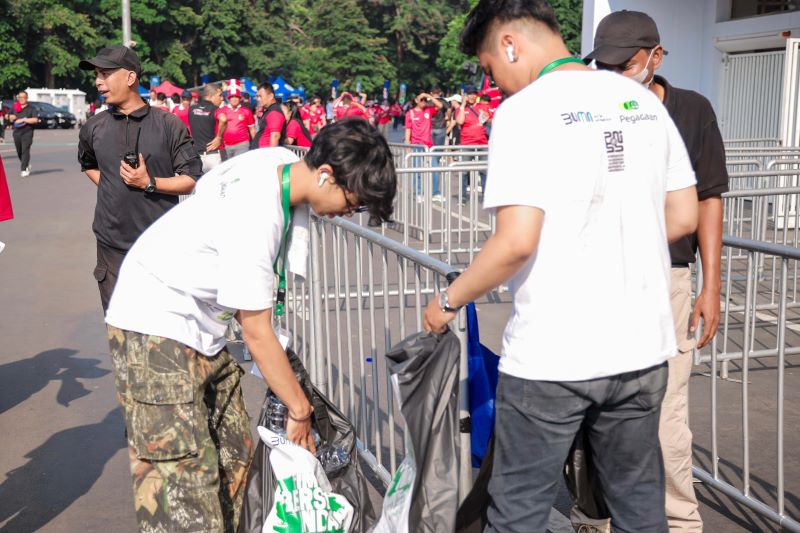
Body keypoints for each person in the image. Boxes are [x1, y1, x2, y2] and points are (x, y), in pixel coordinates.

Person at [422, 1, 699, 532]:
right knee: (640, 506)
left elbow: (515, 243)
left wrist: (448, 300)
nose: (495, 84)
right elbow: (683, 214)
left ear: (509, 45)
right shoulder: (641, 101)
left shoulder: (525, 112)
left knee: (519, 510)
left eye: (489, 69)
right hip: (641, 349)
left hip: (555, 356)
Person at [103, 118, 396, 532]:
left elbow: (207, 190)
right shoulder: (256, 218)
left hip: (200, 326)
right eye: (356, 201)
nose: (352, 212)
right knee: (183, 485)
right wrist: (299, 408)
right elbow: (256, 331)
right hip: (154, 323)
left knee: (237, 465)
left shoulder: (277, 161)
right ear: (327, 175)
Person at [580, 10, 729, 533]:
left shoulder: (691, 111)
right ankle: (605, 516)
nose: (615, 75)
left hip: (667, 276)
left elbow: (708, 200)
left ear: (655, 58)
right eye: (605, 67)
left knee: (665, 413)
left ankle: (681, 521)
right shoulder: (592, 112)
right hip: (598, 277)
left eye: (625, 65)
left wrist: (711, 287)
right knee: (599, 405)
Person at [77, 45, 202, 313]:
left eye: (106, 73)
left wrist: (149, 183)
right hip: (110, 245)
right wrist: (112, 184)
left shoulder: (169, 125)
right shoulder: (93, 127)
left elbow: (190, 179)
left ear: (130, 77)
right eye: (97, 75)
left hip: (159, 245)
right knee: (120, 329)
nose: (99, 81)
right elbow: (88, 164)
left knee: (160, 333)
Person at [457, 85, 489, 200]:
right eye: (470, 94)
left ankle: (486, 196)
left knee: (484, 171)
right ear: (465, 95)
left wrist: (484, 115)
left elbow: (488, 119)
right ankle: (462, 197)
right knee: (464, 171)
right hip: (467, 143)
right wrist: (463, 105)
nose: (472, 96)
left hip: (482, 143)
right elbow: (460, 121)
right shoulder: (462, 109)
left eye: (474, 94)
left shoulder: (482, 106)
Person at [188, 83, 228, 173]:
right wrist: (219, 137)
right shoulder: (215, 109)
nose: (222, 98)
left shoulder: (191, 109)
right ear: (211, 96)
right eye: (220, 95)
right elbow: (224, 119)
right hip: (212, 157)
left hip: (197, 157)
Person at [219, 83, 255, 158]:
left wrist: (255, 144)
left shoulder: (246, 111)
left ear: (240, 98)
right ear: (228, 98)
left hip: (242, 144)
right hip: (226, 145)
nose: (234, 99)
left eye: (236, 97)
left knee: (239, 167)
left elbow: (252, 129)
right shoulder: (222, 110)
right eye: (232, 97)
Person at [9, 91, 39, 177]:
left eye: (23, 97)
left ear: (27, 98)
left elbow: (35, 120)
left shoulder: (31, 108)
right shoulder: (14, 107)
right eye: (20, 97)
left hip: (27, 132)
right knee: (19, 151)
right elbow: (8, 116)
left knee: (25, 150)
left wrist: (23, 120)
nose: (21, 99)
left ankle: (23, 169)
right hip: (16, 132)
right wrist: (10, 117)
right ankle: (26, 164)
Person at [253, 82, 285, 148]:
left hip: (265, 154)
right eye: (257, 96)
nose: (258, 99)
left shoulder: (274, 112)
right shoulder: (269, 110)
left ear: (271, 96)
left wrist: (271, 156)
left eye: (260, 96)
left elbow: (275, 136)